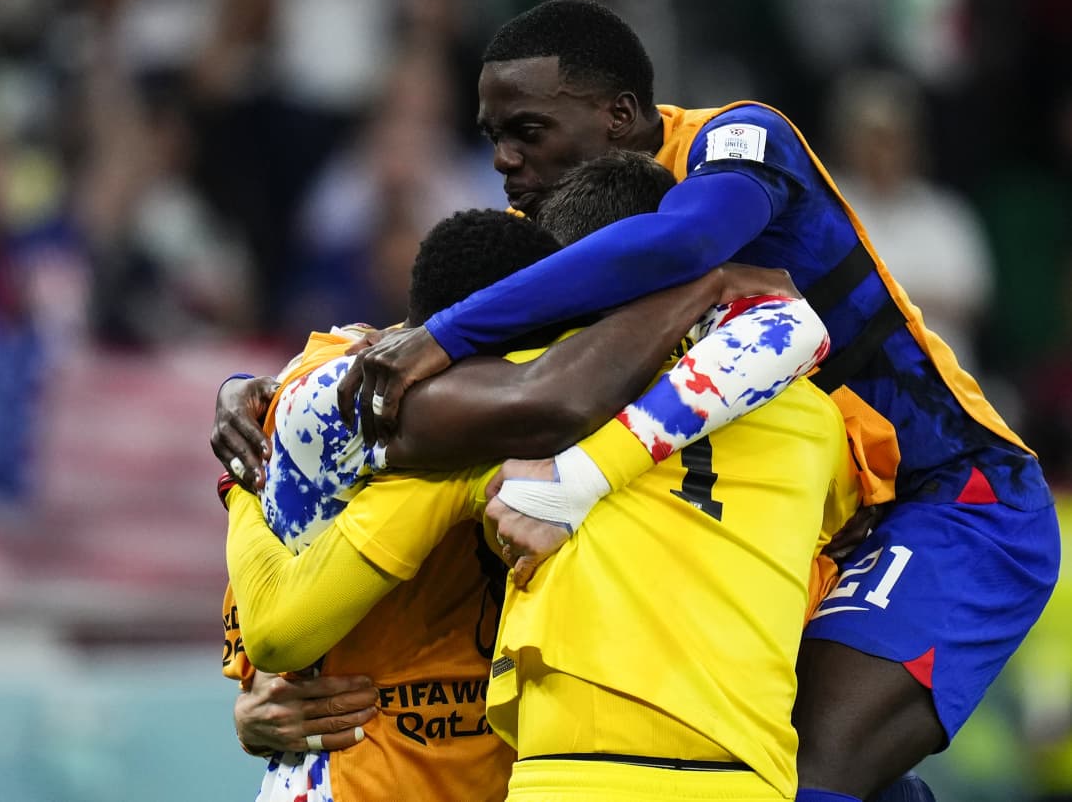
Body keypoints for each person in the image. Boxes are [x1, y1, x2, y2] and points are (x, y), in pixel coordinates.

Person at [332, 0, 1059, 802]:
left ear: (620, 115)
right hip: (810, 513)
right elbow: (416, 335)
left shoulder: (738, 140)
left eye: (527, 131)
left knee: (807, 776)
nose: (504, 159)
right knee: (793, 758)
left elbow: (684, 243)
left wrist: (447, 335)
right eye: (493, 138)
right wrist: (275, 389)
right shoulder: (551, 228)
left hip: (950, 498)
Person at [225, 209, 849, 800]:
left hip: (545, 771)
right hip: (389, 774)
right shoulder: (819, 422)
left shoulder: (485, 437)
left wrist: (236, 493)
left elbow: (282, 631)